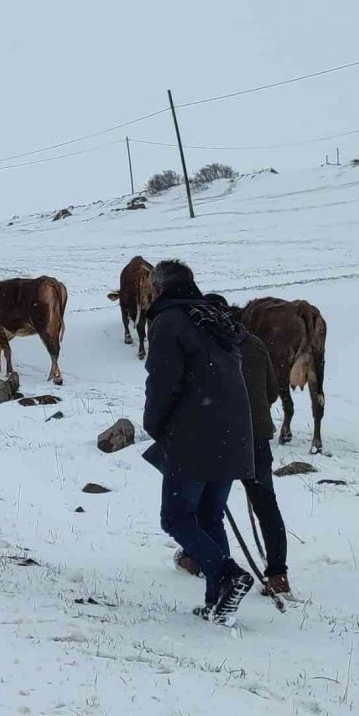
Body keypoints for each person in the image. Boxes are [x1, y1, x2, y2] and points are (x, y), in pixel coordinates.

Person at [143, 260, 255, 621]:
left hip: (193, 432)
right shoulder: (215, 319)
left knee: (176, 517)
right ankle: (217, 603)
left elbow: (162, 381)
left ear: (159, 289)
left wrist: (154, 424)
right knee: (209, 516)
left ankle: (226, 575)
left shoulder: (169, 322)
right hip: (234, 432)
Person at [176, 294, 291, 596]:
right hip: (256, 438)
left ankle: (212, 566)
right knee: (266, 505)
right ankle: (278, 574)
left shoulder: (205, 348)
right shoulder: (254, 345)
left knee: (208, 508)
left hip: (219, 440)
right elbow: (272, 393)